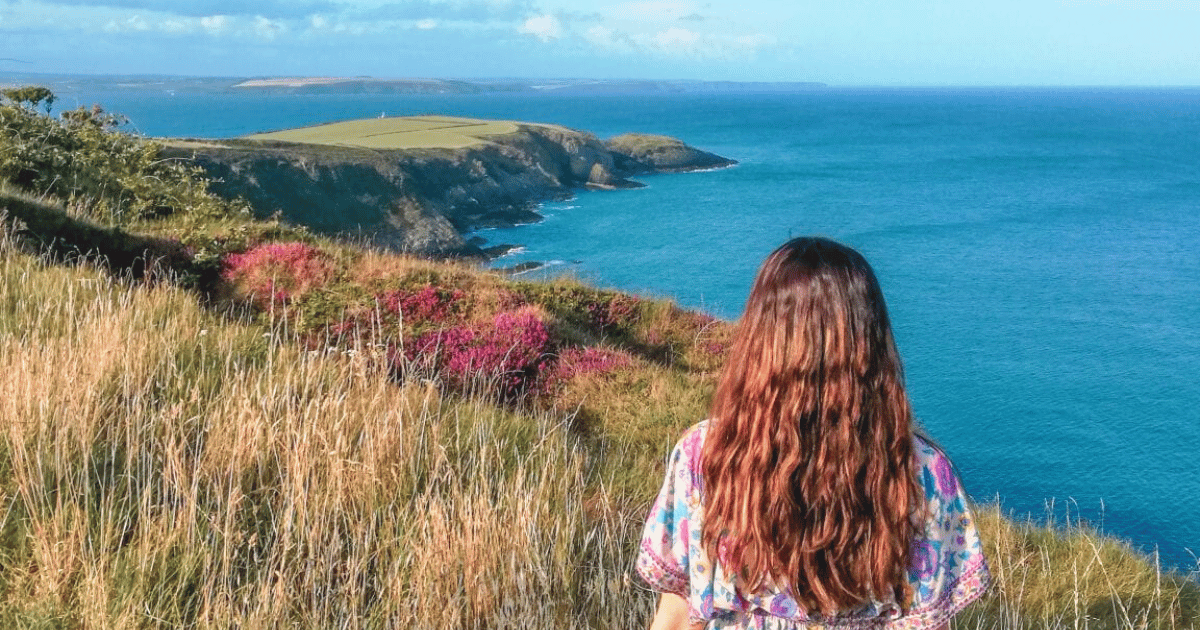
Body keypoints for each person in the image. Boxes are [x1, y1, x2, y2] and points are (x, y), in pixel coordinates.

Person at [636, 237, 991, 630]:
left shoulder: (705, 456)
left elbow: (677, 615)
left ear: (761, 338)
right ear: (871, 342)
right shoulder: (919, 473)